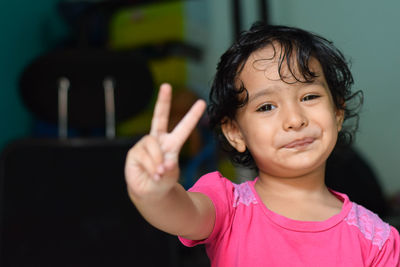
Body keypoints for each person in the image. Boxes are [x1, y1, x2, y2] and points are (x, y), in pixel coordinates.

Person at [124, 22, 400, 266]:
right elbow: (181, 213)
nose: (294, 119)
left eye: (309, 96)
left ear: (337, 113)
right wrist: (153, 193)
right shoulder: (227, 207)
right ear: (235, 133)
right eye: (267, 106)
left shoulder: (377, 239)